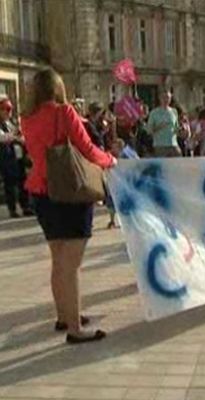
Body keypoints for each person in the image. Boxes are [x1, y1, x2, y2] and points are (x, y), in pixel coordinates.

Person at [21, 68, 116, 344]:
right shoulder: (64, 113)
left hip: (40, 190)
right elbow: (86, 148)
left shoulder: (27, 118)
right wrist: (110, 160)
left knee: (57, 258)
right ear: (58, 88)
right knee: (71, 264)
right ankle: (75, 328)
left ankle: (64, 315)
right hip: (69, 191)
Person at [0, 97, 33, 218]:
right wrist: (15, 136)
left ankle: (26, 206)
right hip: (7, 158)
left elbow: (21, 137)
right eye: (5, 109)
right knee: (10, 184)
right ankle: (12, 209)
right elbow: (3, 138)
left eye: (10, 109)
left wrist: (19, 137)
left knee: (23, 181)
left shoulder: (11, 123)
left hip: (18, 157)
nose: (8, 112)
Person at [106, 139, 138, 229]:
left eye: (114, 147)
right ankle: (112, 221)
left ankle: (125, 220)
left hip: (125, 181)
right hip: (118, 181)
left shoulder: (127, 155)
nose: (112, 148)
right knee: (112, 200)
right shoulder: (127, 153)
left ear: (119, 146)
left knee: (119, 201)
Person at [147, 88, 180, 157]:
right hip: (160, 145)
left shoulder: (174, 111)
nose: (166, 100)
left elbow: (176, 127)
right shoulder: (154, 113)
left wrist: (181, 130)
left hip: (173, 144)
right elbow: (149, 131)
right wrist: (159, 127)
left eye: (168, 98)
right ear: (160, 98)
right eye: (164, 97)